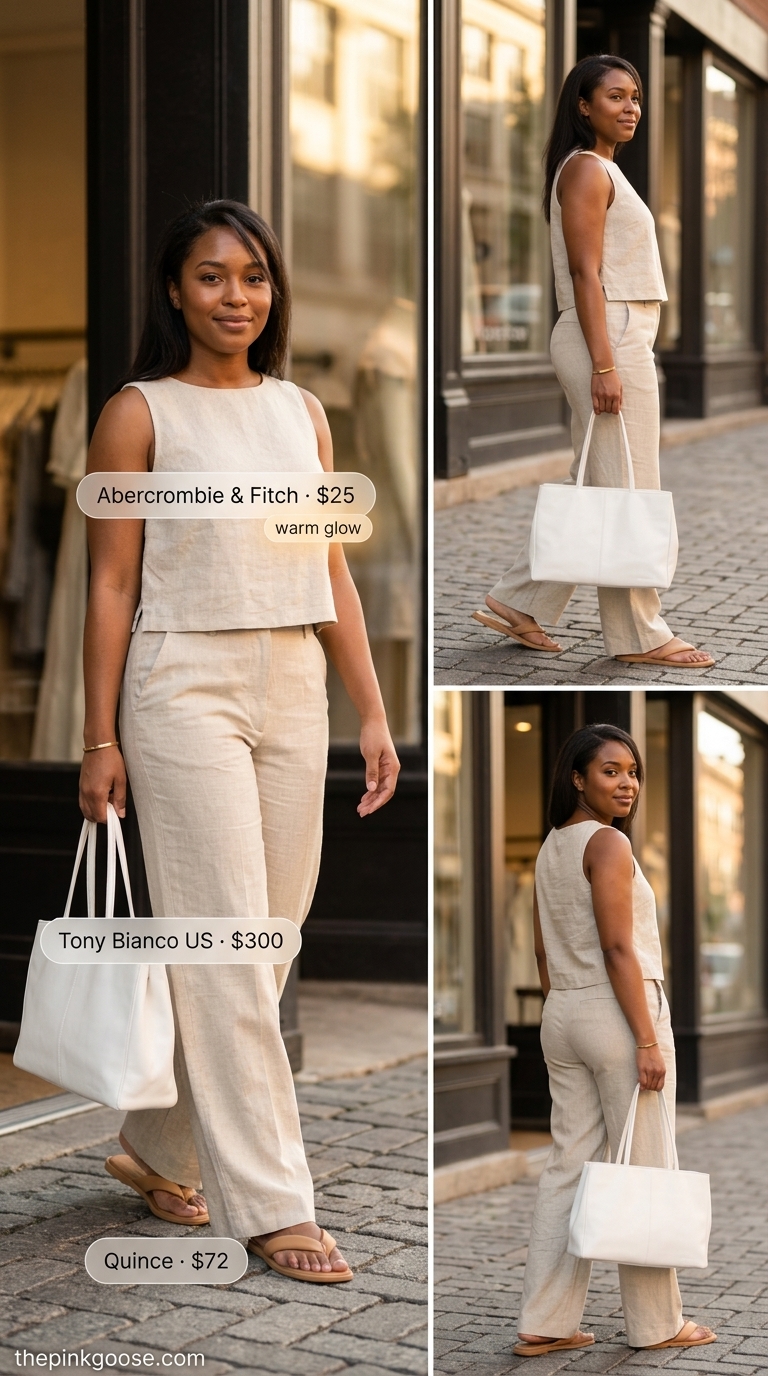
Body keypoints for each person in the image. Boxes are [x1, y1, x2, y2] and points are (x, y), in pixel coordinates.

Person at [79, 199, 400, 1283]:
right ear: (175, 290)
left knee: (267, 940)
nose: (236, 296)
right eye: (212, 276)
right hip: (182, 684)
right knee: (223, 942)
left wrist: (372, 708)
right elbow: (110, 583)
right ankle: (272, 1206)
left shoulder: (303, 412)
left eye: (253, 276)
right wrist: (97, 737)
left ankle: (157, 1146)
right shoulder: (137, 414)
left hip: (294, 684)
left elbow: (332, 565)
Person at [474, 54, 714, 670]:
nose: (630, 107)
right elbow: (585, 273)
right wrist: (605, 365)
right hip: (606, 333)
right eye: (615, 96)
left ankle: (519, 600)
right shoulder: (585, 168)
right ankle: (639, 634)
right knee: (630, 485)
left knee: (606, 479)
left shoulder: (602, 168)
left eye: (635, 97)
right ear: (583, 107)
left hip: (616, 333)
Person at [513, 724, 716, 1356]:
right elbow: (619, 948)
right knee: (647, 1166)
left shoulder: (552, 846)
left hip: (564, 1011)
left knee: (567, 1167)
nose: (627, 783)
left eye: (632, 772)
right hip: (621, 1013)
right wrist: (646, 1040)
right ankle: (657, 1324)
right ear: (577, 778)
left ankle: (544, 1320)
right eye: (610, 771)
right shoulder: (607, 843)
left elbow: (543, 950)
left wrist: (567, 1009)